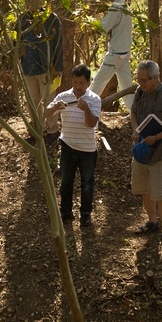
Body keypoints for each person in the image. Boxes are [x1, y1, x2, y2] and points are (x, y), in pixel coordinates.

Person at [129, 60, 162, 248]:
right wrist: (136, 130)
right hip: (141, 151)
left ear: (156, 77)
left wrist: (157, 136)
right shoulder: (140, 92)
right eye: (139, 80)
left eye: (144, 80)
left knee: (160, 192)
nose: (141, 84)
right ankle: (152, 221)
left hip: (159, 152)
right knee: (144, 188)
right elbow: (133, 113)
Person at [47, 65, 101, 226]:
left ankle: (85, 215)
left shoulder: (94, 99)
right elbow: (47, 113)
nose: (78, 86)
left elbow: (92, 124)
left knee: (87, 183)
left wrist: (85, 109)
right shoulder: (64, 96)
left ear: (89, 82)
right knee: (66, 181)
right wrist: (55, 107)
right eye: (75, 82)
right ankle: (65, 213)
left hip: (87, 149)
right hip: (67, 145)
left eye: (82, 83)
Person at [17, 0, 64, 135]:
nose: (32, 1)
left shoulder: (51, 19)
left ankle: (52, 130)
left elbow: (58, 43)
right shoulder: (22, 20)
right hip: (28, 68)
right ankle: (39, 129)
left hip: (47, 68)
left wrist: (57, 67)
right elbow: (15, 41)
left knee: (49, 100)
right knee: (33, 102)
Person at [90, 0, 134, 109]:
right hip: (124, 52)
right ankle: (134, 112)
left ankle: (84, 109)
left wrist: (91, 22)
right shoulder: (125, 6)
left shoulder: (116, 8)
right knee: (127, 86)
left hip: (116, 53)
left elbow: (102, 29)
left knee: (98, 82)